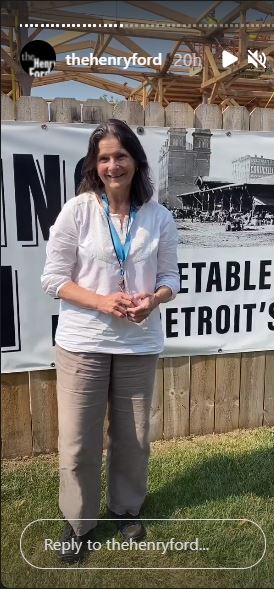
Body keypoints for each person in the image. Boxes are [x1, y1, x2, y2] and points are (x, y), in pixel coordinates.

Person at [41, 119, 180, 563]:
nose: (112, 165)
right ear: (93, 164)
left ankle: (126, 509)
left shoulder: (159, 216)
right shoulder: (78, 211)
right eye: (103, 157)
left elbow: (171, 278)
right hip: (84, 342)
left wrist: (154, 300)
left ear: (137, 161)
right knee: (79, 440)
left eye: (120, 155)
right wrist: (101, 302)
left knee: (134, 436)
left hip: (138, 343)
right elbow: (53, 279)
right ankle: (79, 523)